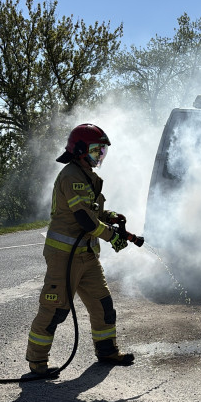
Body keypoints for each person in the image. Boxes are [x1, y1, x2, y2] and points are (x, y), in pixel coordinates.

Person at [26, 123, 134, 375]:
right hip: (65, 256)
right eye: (97, 151)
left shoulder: (88, 176)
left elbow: (92, 211)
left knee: (103, 304)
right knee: (55, 309)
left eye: (103, 152)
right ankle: (37, 361)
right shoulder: (71, 175)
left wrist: (110, 215)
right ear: (80, 150)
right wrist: (112, 237)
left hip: (86, 255)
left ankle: (107, 350)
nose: (100, 157)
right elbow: (84, 219)